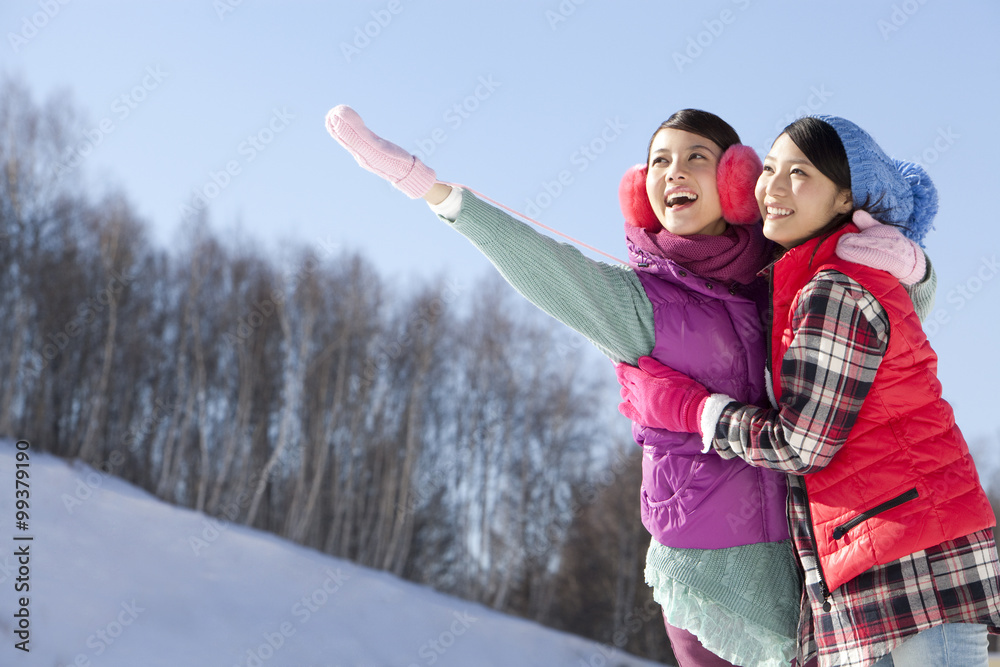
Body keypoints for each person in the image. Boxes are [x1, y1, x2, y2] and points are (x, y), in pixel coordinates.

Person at [324, 105, 935, 666]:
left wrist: (916, 268)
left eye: (697, 157)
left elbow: (888, 322)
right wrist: (428, 187)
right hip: (708, 569)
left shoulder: (783, 279)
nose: (676, 172)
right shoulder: (639, 302)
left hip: (810, 555)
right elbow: (542, 264)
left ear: (736, 180)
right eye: (661, 160)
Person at [615, 115, 1000, 667]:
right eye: (768, 170)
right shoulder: (810, 278)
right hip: (879, 559)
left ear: (845, 197)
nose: (773, 188)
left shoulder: (833, 289)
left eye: (799, 174)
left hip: (909, 563)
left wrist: (701, 413)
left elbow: (803, 445)